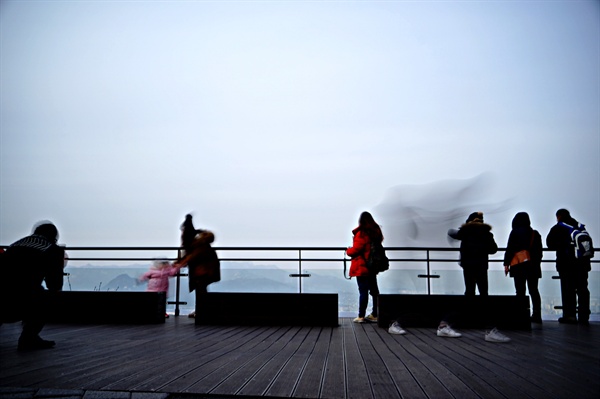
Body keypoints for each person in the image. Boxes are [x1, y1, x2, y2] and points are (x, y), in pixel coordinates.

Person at [0, 222, 66, 350]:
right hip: (23, 298)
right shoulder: (52, 249)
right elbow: (54, 285)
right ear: (54, 236)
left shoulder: (15, 245)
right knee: (43, 297)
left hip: (2, 295)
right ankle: (28, 338)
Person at [448, 211, 510, 342]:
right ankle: (489, 327)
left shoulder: (465, 232)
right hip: (481, 267)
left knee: (469, 293)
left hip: (468, 267)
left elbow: (452, 233)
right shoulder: (486, 233)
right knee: (484, 295)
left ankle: (452, 322)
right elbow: (493, 249)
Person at [546, 209, 592, 325]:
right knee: (582, 289)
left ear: (559, 216)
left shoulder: (558, 228)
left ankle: (570, 316)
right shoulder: (580, 227)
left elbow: (549, 244)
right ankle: (584, 315)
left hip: (566, 264)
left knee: (568, 290)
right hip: (582, 264)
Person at [503, 212, 543, 323]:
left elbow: (510, 249)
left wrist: (506, 264)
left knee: (520, 291)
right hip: (533, 267)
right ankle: (536, 314)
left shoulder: (515, 232)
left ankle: (521, 314)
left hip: (518, 266)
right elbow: (539, 252)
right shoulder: (535, 234)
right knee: (534, 290)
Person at [346, 211, 383, 324]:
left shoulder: (362, 233)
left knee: (363, 291)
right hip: (372, 266)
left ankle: (361, 316)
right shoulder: (375, 233)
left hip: (362, 267)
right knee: (374, 291)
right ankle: (375, 314)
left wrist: (348, 250)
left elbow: (356, 249)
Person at [174, 231, 221, 319]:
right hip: (206, 272)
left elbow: (191, 257)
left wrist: (179, 264)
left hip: (202, 272)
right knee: (201, 290)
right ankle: (201, 310)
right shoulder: (204, 247)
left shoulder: (200, 247)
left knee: (200, 290)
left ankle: (201, 310)